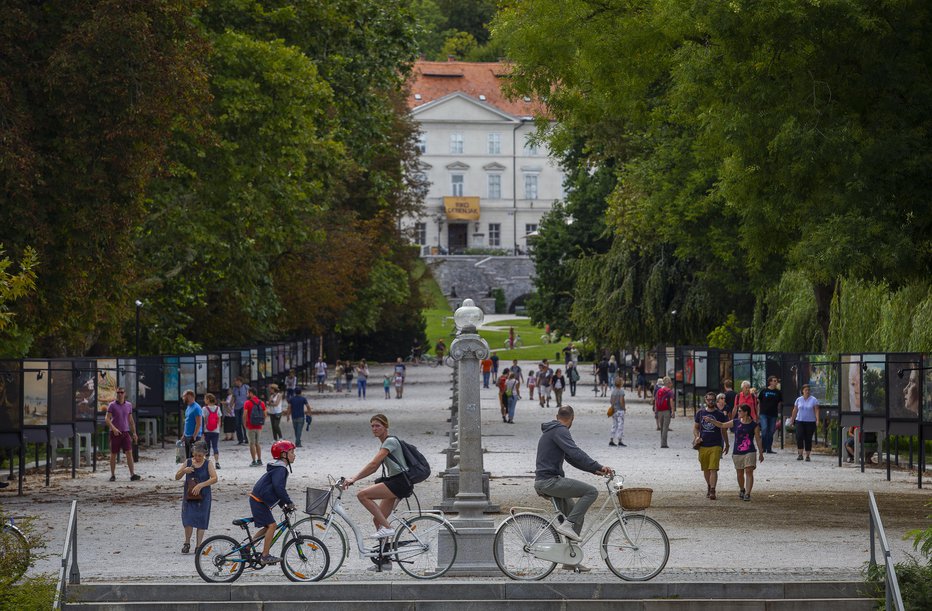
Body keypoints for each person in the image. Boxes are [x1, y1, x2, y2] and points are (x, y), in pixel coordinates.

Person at [535, 405, 613, 571]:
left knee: (577, 515)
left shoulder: (553, 429)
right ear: (572, 419)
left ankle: (570, 561)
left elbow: (571, 458)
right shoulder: (561, 430)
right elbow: (576, 452)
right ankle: (566, 525)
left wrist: (596, 470)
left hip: (546, 481)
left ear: (557, 416)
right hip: (550, 481)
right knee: (591, 491)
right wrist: (598, 465)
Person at [342, 415, 414, 552]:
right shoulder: (385, 443)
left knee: (362, 495)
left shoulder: (390, 442)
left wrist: (354, 479)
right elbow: (374, 467)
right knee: (377, 520)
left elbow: (373, 465)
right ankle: (385, 558)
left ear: (385, 427)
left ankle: (388, 528)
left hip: (400, 482)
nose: (374, 428)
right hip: (396, 481)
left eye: (378, 426)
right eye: (372, 426)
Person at [249, 440, 297, 565]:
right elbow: (278, 488)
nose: (294, 455)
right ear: (283, 454)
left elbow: (276, 491)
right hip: (258, 501)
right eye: (292, 452)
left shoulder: (279, 467)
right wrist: (289, 502)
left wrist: (283, 506)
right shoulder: (280, 469)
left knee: (267, 527)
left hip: (258, 500)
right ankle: (265, 556)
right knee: (272, 525)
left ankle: (247, 548)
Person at [704, 404, 764, 501]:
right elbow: (722, 425)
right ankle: (742, 489)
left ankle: (748, 493)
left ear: (746, 412)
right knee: (740, 473)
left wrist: (761, 453)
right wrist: (711, 421)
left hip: (750, 451)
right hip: (737, 452)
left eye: (740, 411)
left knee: (749, 471)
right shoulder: (735, 422)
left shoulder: (754, 425)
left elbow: (758, 439)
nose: (738, 413)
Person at [175, 440, 217, 553]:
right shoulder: (188, 462)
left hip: (204, 496)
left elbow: (214, 478)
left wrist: (201, 485)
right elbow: (177, 477)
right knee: (188, 519)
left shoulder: (208, 463)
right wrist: (184, 471)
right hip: (189, 496)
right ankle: (187, 542)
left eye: (200, 455)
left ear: (205, 454)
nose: (197, 457)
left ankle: (199, 546)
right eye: (195, 454)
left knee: (201, 520)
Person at [693, 392, 729, 500]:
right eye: (709, 400)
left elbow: (723, 430)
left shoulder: (720, 415)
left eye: (713, 400)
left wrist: (727, 444)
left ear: (716, 401)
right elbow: (695, 428)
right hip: (703, 445)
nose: (711, 402)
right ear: (705, 400)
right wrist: (696, 437)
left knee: (713, 468)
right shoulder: (700, 413)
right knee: (706, 469)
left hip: (716, 444)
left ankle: (713, 490)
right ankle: (709, 486)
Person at [105, 387, 141, 482]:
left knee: (129, 452)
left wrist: (134, 433)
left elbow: (131, 420)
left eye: (121, 392)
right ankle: (112, 475)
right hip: (115, 433)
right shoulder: (112, 405)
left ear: (124, 394)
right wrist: (114, 428)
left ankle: (132, 474)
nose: (120, 394)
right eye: (118, 392)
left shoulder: (128, 405)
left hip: (125, 432)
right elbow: (107, 419)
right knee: (113, 453)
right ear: (116, 394)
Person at [789, 384, 820, 462]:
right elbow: (795, 410)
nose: (807, 391)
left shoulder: (814, 400)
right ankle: (800, 454)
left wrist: (817, 420)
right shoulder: (799, 399)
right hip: (800, 420)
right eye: (806, 390)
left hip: (810, 421)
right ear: (802, 391)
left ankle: (808, 455)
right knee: (799, 436)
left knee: (808, 438)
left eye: (809, 390)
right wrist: (792, 419)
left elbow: (816, 410)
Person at [757, 377, 783, 454]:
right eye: (774, 381)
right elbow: (759, 402)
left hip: (773, 414)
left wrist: (779, 412)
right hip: (763, 413)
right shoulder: (764, 391)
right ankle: (763, 447)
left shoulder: (778, 392)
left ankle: (769, 448)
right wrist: (758, 412)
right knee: (764, 430)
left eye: (776, 381)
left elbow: (780, 403)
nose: (776, 382)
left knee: (771, 431)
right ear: (770, 382)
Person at [244, 388, 266, 467]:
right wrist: (262, 422)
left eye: (248, 393)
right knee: (257, 443)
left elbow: (245, 414)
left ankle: (254, 461)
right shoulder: (261, 403)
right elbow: (265, 414)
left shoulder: (247, 403)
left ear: (251, 393)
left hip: (250, 426)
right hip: (259, 426)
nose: (247, 394)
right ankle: (259, 459)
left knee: (252, 443)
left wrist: (244, 423)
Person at [201, 393, 222, 469]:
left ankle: (206, 463)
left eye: (205, 399)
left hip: (207, 430)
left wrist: (202, 431)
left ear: (208, 400)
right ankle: (217, 462)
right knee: (215, 446)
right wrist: (218, 427)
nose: (204, 400)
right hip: (216, 431)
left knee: (207, 447)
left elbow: (203, 420)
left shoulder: (204, 409)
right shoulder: (218, 408)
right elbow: (219, 419)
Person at [181, 389, 202, 460]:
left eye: (185, 396)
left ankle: (194, 470)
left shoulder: (196, 408)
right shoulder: (188, 407)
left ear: (190, 396)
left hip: (193, 437)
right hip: (187, 436)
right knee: (188, 457)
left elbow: (198, 423)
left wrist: (194, 436)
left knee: (194, 457)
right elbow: (187, 422)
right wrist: (184, 434)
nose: (183, 398)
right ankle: (189, 470)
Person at [655, 377, 675, 448]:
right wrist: (673, 411)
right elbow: (671, 401)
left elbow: (656, 400)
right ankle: (664, 444)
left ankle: (662, 441)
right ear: (668, 383)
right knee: (665, 427)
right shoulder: (669, 391)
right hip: (666, 411)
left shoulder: (659, 390)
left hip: (659, 411)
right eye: (671, 382)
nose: (671, 384)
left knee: (662, 427)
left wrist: (656, 410)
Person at [608, 378, 626, 447]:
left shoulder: (613, 391)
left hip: (614, 410)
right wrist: (624, 408)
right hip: (620, 410)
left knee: (614, 425)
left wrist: (613, 407)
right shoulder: (621, 392)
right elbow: (622, 401)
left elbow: (611, 401)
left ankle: (611, 439)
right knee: (620, 425)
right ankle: (620, 440)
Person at [232, 377, 249, 445]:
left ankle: (246, 438)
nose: (235, 383)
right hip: (237, 407)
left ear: (240, 381)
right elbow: (234, 397)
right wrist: (231, 405)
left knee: (244, 422)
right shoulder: (235, 389)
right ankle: (240, 439)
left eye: (236, 381)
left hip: (244, 407)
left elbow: (249, 396)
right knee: (237, 423)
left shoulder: (246, 387)